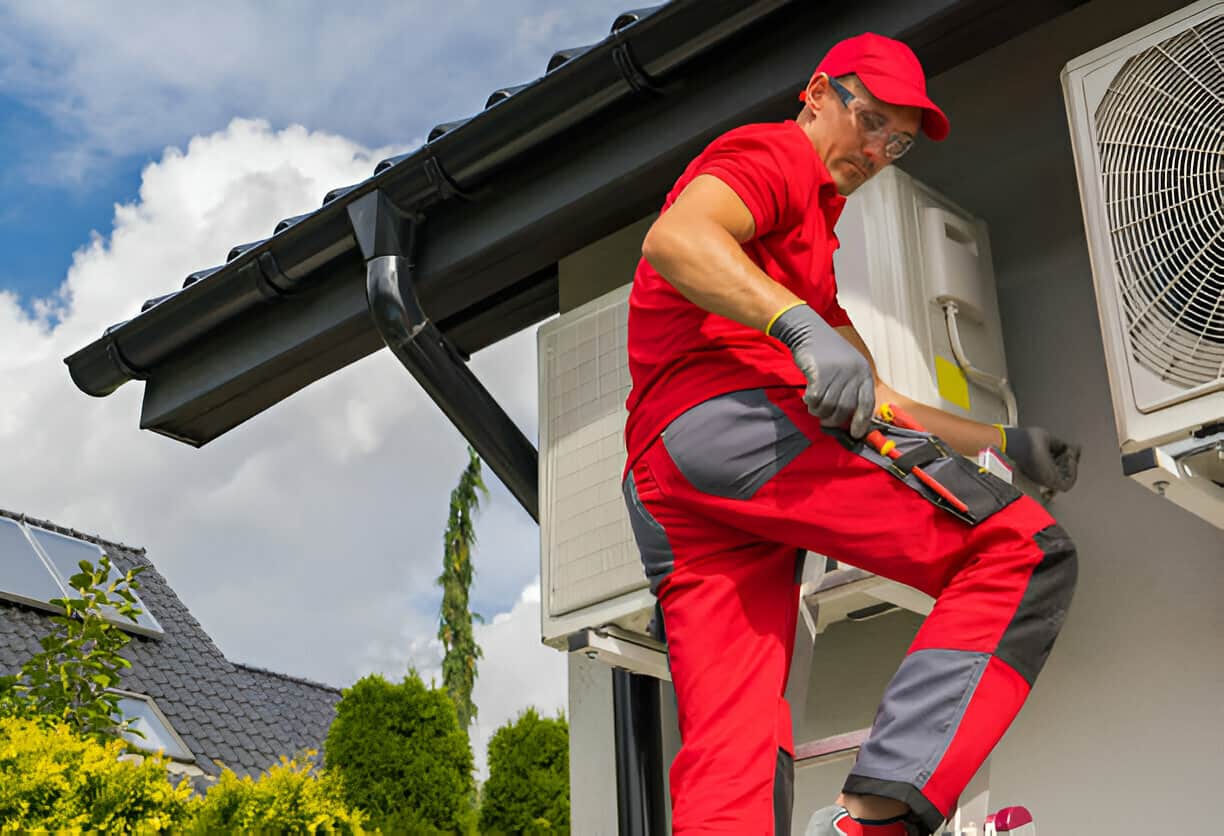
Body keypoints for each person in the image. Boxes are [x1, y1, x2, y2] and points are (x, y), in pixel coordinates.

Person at [620, 32, 1080, 836]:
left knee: (733, 735)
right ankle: (875, 820)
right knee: (1020, 551)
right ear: (816, 92)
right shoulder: (772, 157)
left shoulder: (811, 248)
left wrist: (999, 442)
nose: (876, 150)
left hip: (672, 482)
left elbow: (883, 399)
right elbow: (676, 238)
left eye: (895, 141)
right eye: (868, 121)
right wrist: (798, 327)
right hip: (733, 423)